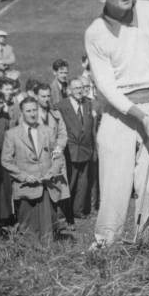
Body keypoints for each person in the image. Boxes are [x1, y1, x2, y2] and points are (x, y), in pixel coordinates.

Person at [84, 0, 149, 248]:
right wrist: (140, 115)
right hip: (121, 111)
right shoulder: (95, 33)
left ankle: (144, 243)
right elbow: (106, 86)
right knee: (114, 182)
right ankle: (105, 244)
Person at [0, 97, 69, 242]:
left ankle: (47, 253)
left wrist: (52, 172)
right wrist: (23, 176)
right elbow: (6, 161)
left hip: (46, 186)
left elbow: (57, 156)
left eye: (35, 110)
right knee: (28, 229)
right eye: (28, 111)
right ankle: (29, 254)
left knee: (48, 228)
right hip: (26, 187)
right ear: (22, 113)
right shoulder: (12, 134)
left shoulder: (47, 131)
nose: (32, 114)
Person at [57, 78, 94, 223]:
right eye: (76, 88)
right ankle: (62, 213)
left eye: (81, 88)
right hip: (70, 150)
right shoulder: (61, 105)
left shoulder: (88, 104)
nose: (79, 91)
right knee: (69, 183)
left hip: (85, 149)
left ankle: (78, 211)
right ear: (70, 90)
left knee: (82, 183)